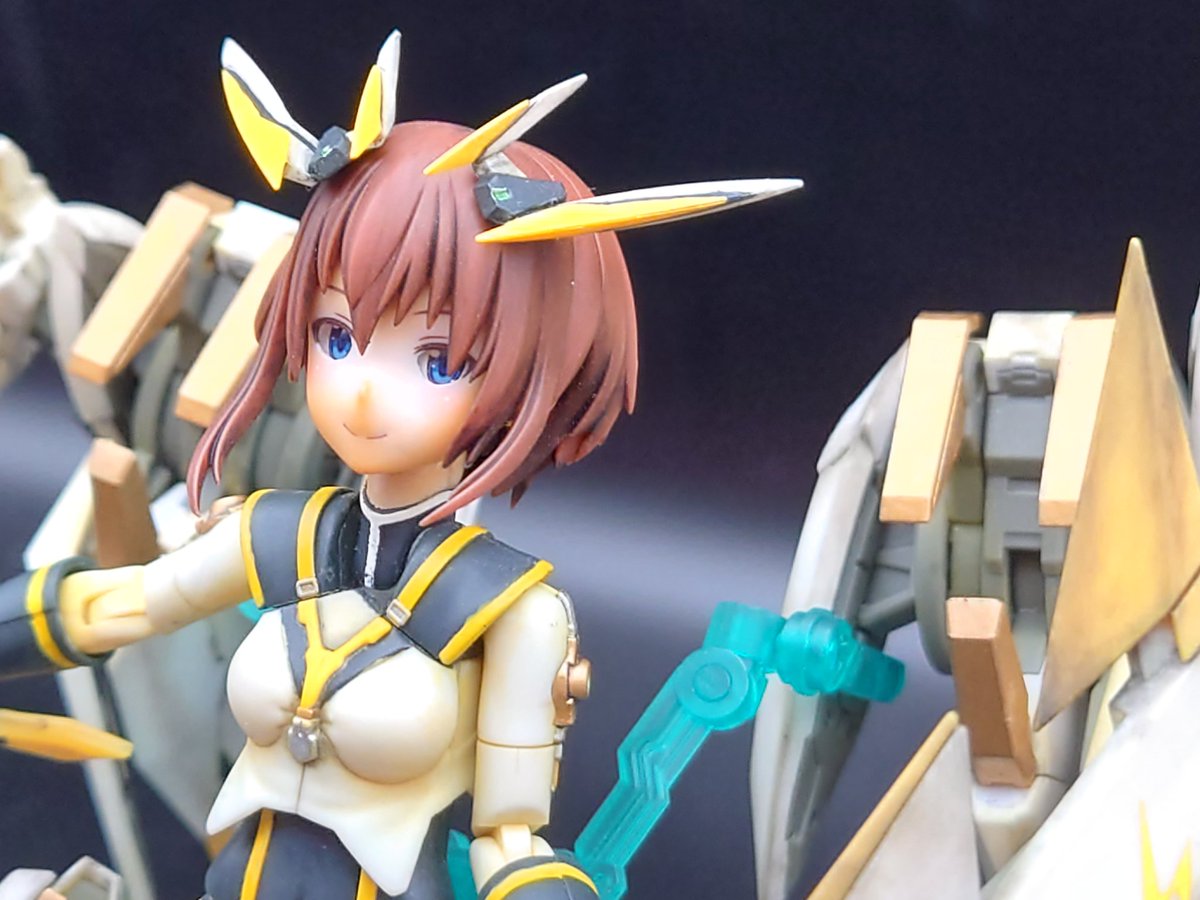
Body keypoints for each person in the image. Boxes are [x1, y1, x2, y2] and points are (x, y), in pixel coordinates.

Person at [0, 31, 801, 899]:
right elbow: (116, 606)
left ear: (532, 377)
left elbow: (509, 837)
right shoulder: (278, 535)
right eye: (337, 336)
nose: (362, 391)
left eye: (439, 360)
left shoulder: (509, 612)